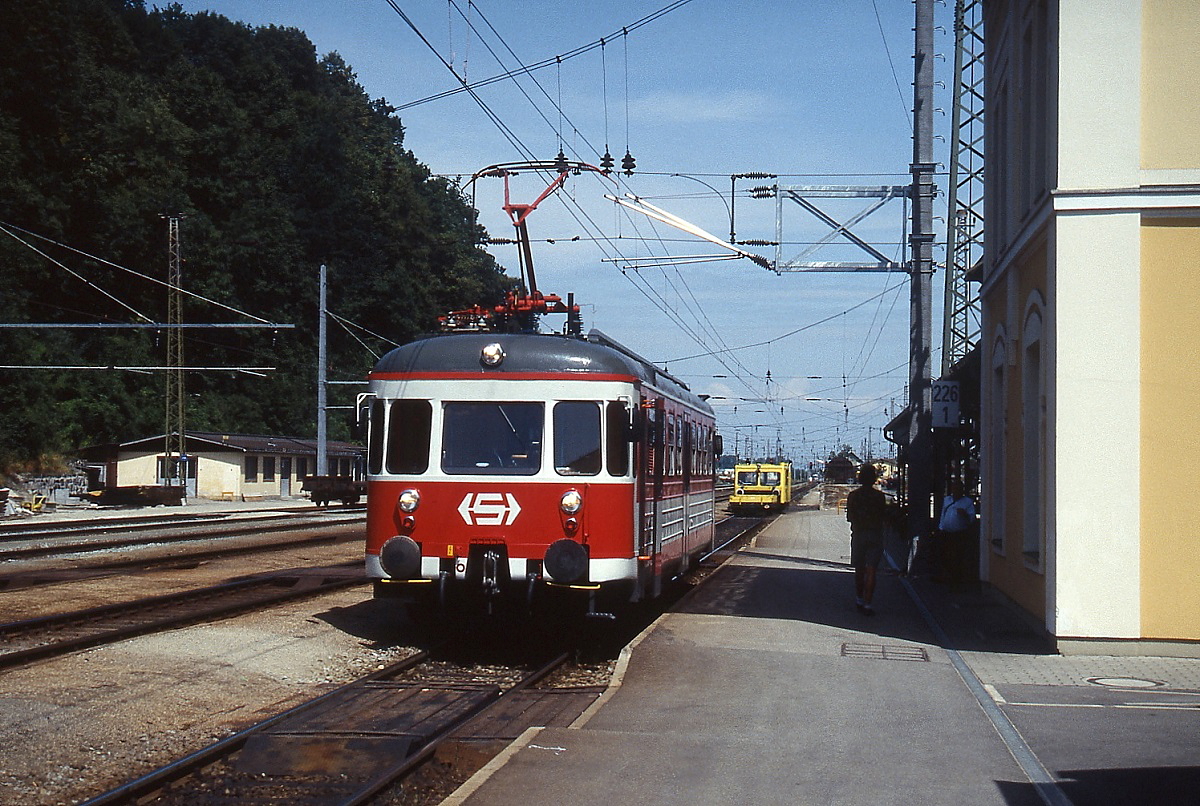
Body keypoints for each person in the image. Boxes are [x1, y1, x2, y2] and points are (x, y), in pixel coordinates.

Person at [846, 463, 888, 615]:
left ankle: (859, 599)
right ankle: (868, 604)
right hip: (875, 535)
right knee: (872, 570)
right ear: (874, 479)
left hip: (858, 535)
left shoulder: (853, 496)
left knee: (859, 569)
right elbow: (884, 516)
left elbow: (849, 517)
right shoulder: (880, 496)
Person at [937, 481, 977, 583]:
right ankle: (947, 576)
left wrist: (965, 515)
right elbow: (943, 514)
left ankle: (956, 581)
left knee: (957, 557)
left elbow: (972, 519)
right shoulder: (947, 500)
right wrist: (940, 528)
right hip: (946, 533)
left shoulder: (967, 502)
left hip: (959, 534)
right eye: (955, 489)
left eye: (958, 489)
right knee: (945, 555)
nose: (956, 491)